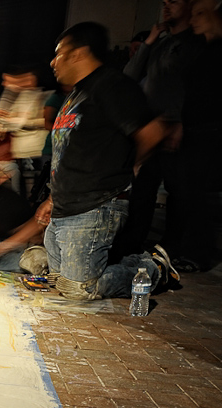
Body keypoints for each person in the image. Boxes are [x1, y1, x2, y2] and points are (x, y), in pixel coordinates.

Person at [37, 22, 174, 301]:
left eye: (59, 53)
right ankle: (125, 264)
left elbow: (152, 132)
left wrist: (124, 172)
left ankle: (152, 268)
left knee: (78, 289)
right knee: (56, 281)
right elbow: (68, 152)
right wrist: (52, 198)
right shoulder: (75, 94)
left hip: (95, 205)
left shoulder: (112, 85)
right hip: (66, 207)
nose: (53, 62)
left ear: (78, 53)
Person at [119, 0, 203, 265]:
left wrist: (178, 120)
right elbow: (129, 76)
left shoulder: (195, 42)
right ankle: (133, 244)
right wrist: (150, 40)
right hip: (151, 129)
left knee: (180, 192)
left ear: (190, 6)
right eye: (164, 2)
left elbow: (193, 87)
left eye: (174, 2)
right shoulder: (162, 42)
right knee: (142, 189)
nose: (167, 7)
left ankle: (174, 250)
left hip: (177, 128)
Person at [178, 0, 222, 270]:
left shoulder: (217, 52)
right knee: (192, 194)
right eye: (192, 14)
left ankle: (198, 254)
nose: (194, 19)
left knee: (199, 195)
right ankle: (192, 250)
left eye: (200, 14)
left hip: (210, 133)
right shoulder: (203, 49)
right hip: (195, 130)